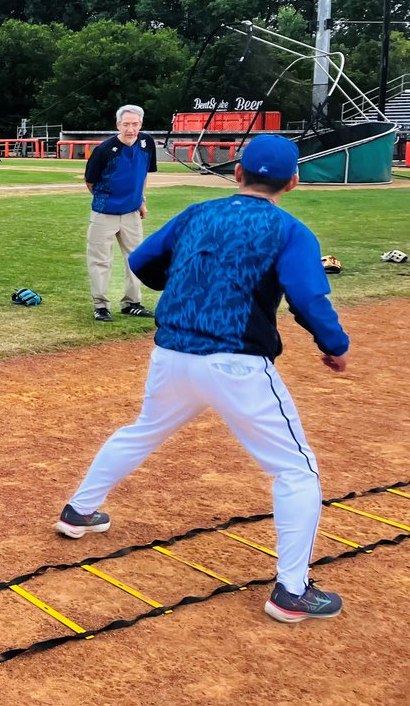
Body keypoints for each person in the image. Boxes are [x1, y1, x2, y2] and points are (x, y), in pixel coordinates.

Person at [55, 134, 350, 624]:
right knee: (296, 471)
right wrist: (334, 347)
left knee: (143, 430)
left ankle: (80, 511)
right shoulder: (290, 229)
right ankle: (290, 592)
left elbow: (142, 261)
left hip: (172, 355)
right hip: (236, 365)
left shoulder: (198, 213)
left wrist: (187, 285)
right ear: (292, 182)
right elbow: (308, 297)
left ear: (237, 173)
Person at [84, 104, 157, 322]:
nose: (131, 129)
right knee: (100, 260)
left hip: (132, 212)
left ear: (141, 124)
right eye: (126, 124)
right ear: (118, 125)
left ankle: (132, 303)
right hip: (104, 213)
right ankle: (101, 306)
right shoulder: (104, 150)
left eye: (135, 124)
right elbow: (90, 181)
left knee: (135, 258)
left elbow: (143, 174)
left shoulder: (147, 143)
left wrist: (141, 200)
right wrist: (106, 199)